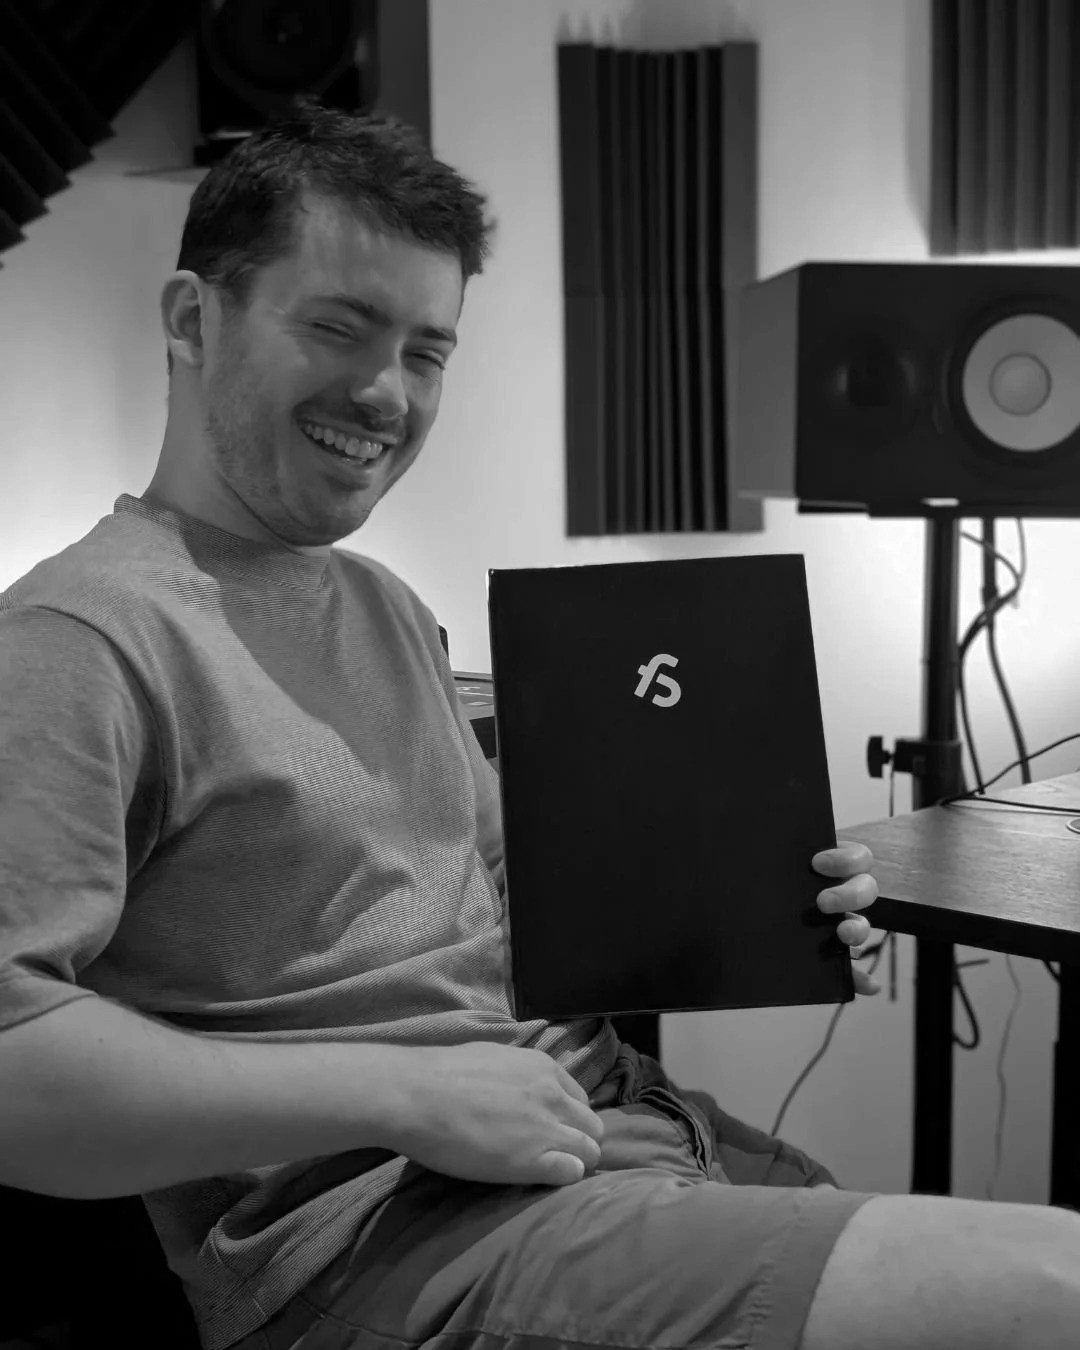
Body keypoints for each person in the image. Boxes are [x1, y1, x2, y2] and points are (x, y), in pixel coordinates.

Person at [0, 104, 1075, 1350]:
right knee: (1056, 1290)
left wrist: (763, 915)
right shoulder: (79, 639)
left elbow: (524, 887)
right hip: (386, 1246)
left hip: (603, 1137)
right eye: (340, 328)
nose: (384, 393)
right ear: (193, 320)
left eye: (426, 351)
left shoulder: (382, 605)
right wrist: (409, 1096)